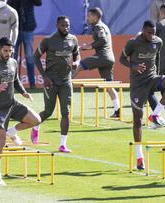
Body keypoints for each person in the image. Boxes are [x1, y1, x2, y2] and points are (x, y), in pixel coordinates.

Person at [0, 37, 41, 186]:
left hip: (12, 104)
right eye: (6, 50)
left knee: (36, 120)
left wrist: (23, 92)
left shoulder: (13, 62)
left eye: (10, 50)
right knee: (0, 141)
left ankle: (12, 131)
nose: (8, 53)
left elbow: (15, 81)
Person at [119, 20, 165, 170]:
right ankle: (139, 157)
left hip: (151, 78)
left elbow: (156, 56)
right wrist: (134, 66)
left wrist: (157, 74)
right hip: (137, 85)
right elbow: (121, 59)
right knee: (137, 120)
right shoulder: (133, 43)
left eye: (153, 33)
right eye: (149, 33)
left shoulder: (158, 42)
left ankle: (155, 115)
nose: (151, 36)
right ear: (143, 30)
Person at [31, 16, 80, 153]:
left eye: (68, 25)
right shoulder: (48, 40)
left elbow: (77, 54)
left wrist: (76, 62)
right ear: (57, 25)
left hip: (66, 81)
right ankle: (35, 126)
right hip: (51, 81)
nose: (66, 28)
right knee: (48, 111)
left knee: (66, 112)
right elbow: (35, 57)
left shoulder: (73, 39)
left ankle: (63, 144)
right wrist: (44, 76)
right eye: (63, 25)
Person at [72, 7, 120, 118]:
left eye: (89, 16)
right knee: (109, 86)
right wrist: (88, 46)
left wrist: (89, 46)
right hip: (109, 59)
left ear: (95, 17)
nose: (87, 18)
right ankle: (118, 110)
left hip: (102, 57)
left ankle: (67, 82)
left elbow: (102, 40)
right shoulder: (103, 25)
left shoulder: (98, 26)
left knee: (79, 65)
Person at [8, 0, 42, 89]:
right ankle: (12, 83)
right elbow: (8, 5)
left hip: (28, 28)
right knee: (12, 57)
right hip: (15, 28)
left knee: (29, 57)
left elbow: (39, 3)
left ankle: (32, 84)